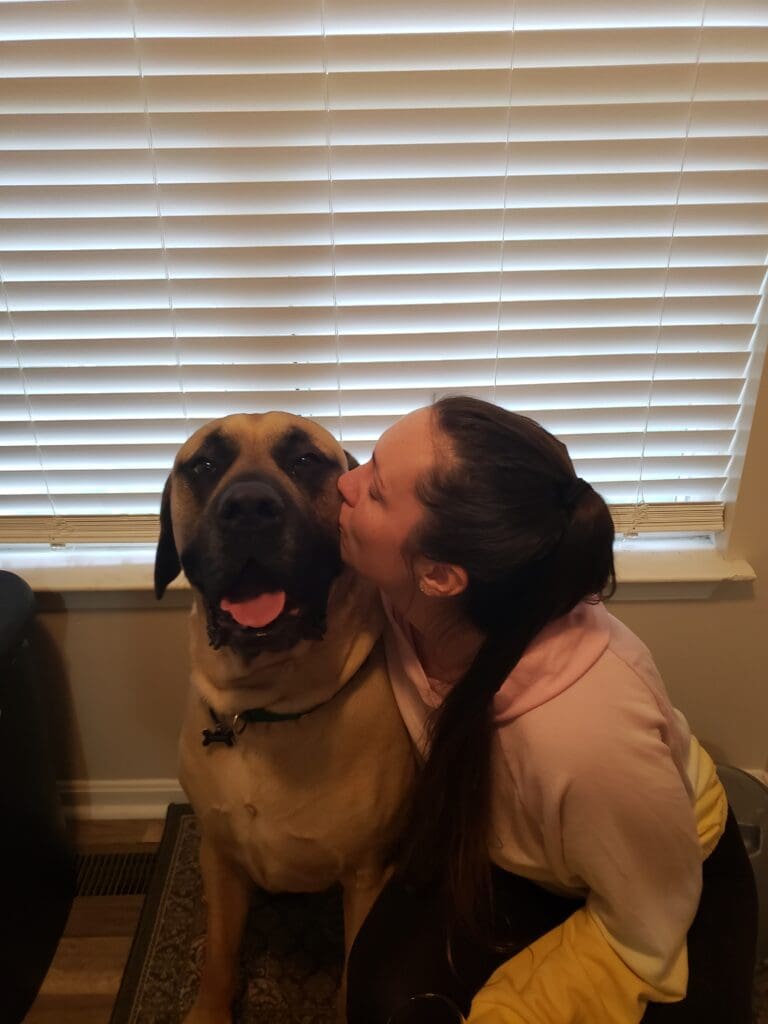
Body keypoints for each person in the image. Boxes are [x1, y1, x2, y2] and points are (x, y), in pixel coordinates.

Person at [335, 395, 757, 1024]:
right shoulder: (408, 597)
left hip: (659, 887)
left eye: (373, 487)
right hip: (520, 851)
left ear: (442, 575)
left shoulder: (584, 738)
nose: (344, 482)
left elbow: (647, 922)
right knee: (380, 995)